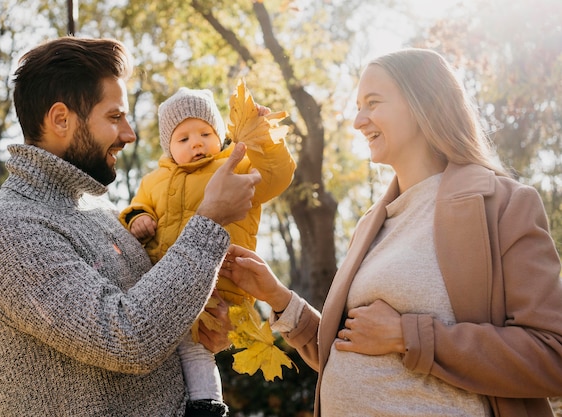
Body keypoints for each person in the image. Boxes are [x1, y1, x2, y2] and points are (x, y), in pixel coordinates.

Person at [219, 48, 562, 417]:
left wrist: (407, 335)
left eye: (373, 103)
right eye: (357, 105)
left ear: (423, 105)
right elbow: (351, 348)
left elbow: (552, 354)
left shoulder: (504, 205)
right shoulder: (372, 223)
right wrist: (279, 298)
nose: (357, 121)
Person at [0, 37, 262, 417]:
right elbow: (128, 338)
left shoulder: (99, 210)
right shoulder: (5, 229)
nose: (129, 134)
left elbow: (154, 317)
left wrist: (200, 327)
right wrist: (211, 220)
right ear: (60, 119)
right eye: (115, 117)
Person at [118, 87, 296, 415]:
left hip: (220, 285)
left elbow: (275, 176)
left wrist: (264, 139)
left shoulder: (235, 167)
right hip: (165, 284)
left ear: (219, 135)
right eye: (183, 139)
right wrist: (139, 218)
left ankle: (207, 405)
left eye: (205, 132)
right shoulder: (154, 180)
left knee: (198, 348)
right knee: (169, 350)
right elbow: (135, 207)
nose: (196, 142)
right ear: (168, 147)